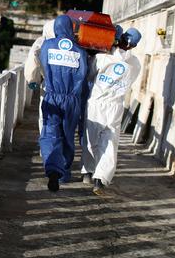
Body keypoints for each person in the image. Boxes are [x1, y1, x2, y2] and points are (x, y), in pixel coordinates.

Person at [81, 27, 142, 195]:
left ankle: (88, 171)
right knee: (109, 142)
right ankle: (101, 179)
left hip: (96, 103)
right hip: (115, 107)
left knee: (90, 139)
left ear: (119, 38)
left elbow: (89, 74)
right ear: (134, 46)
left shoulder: (102, 58)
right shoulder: (135, 63)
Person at [38, 15, 88, 192]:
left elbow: (42, 65)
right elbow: (83, 77)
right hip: (72, 99)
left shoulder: (47, 46)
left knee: (50, 133)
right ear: (71, 28)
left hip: (52, 96)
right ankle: (64, 172)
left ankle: (53, 169)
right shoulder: (80, 51)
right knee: (68, 136)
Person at [24, 19, 55, 132]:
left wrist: (33, 80)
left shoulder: (42, 42)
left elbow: (32, 59)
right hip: (70, 89)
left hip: (48, 84)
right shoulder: (69, 43)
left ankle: (45, 146)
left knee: (45, 117)